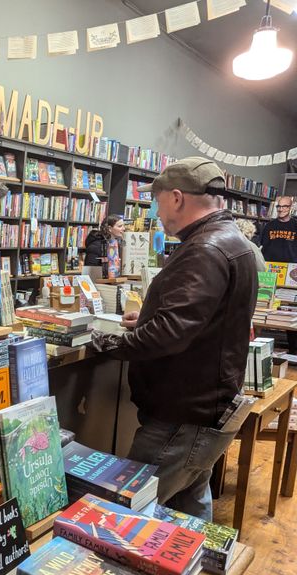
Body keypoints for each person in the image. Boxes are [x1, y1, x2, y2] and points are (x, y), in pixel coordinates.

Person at [90, 157, 257, 521]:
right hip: (204, 412)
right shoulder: (232, 241)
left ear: (177, 198)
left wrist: (110, 343)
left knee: (124, 512)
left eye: (158, 201)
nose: (157, 211)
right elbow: (206, 318)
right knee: (189, 512)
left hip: (182, 417)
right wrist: (148, 317)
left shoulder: (204, 249)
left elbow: (171, 333)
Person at [259, 196, 297, 352]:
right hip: (270, 274)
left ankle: (294, 349)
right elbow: (261, 246)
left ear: (291, 207)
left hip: (291, 276)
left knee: (291, 312)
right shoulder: (269, 226)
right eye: (279, 207)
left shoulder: (296, 225)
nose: (281, 209)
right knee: (265, 310)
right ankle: (262, 348)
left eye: (284, 207)